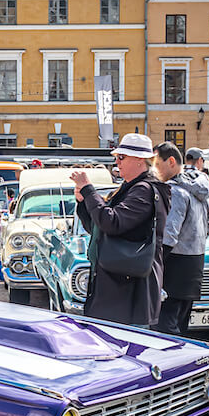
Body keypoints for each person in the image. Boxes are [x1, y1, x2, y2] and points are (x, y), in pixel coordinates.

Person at [71, 133, 170, 327]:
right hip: (119, 287)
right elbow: (97, 227)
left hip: (130, 291)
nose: (117, 162)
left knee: (129, 350)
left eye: (122, 157)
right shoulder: (131, 187)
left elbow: (112, 223)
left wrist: (89, 191)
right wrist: (83, 201)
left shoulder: (144, 189)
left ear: (140, 160)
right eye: (117, 157)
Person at [152, 142, 209, 336]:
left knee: (166, 328)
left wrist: (156, 263)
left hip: (175, 264)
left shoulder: (175, 190)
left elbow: (169, 233)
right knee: (180, 325)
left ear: (170, 162)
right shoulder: (197, 186)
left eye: (156, 163)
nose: (154, 169)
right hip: (194, 261)